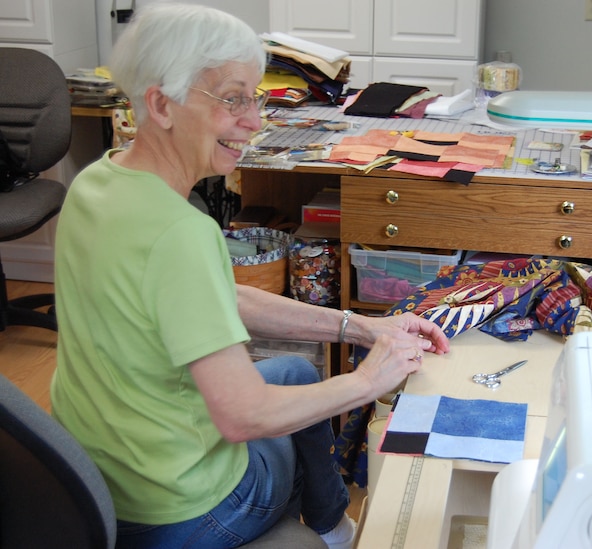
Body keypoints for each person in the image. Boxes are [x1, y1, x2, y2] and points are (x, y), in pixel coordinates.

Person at [49, 4, 450, 548]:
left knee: (295, 374)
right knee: (303, 405)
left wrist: (361, 328)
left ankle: (330, 529)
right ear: (161, 104)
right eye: (232, 98)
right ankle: (326, 528)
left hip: (100, 476)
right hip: (181, 508)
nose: (255, 120)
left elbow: (210, 296)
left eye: (254, 97)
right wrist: (365, 382)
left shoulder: (97, 184)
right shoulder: (179, 232)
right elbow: (243, 417)